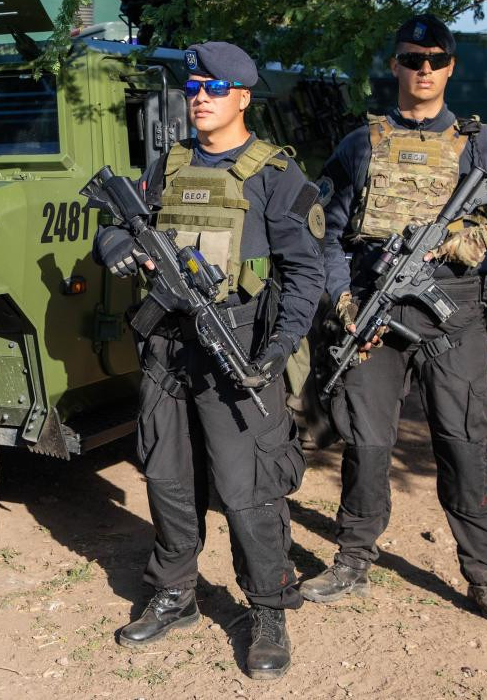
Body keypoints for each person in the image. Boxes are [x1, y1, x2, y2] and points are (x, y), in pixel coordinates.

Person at [301, 14, 487, 623]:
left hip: (453, 313)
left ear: (450, 68)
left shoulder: (481, 144)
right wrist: (341, 297)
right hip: (373, 306)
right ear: (394, 65)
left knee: (465, 444)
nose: (423, 70)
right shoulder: (359, 144)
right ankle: (354, 560)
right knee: (366, 441)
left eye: (435, 60)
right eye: (412, 59)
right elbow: (326, 232)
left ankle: (485, 577)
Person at [94, 42, 326, 680]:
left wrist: (276, 351)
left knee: (249, 486)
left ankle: (269, 605)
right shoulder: (164, 168)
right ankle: (175, 594)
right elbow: (112, 224)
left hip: (240, 348)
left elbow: (305, 277)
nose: (200, 97)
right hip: (167, 344)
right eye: (194, 86)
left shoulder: (277, 177)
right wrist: (116, 245)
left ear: (243, 97)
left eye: (215, 88)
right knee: (167, 475)